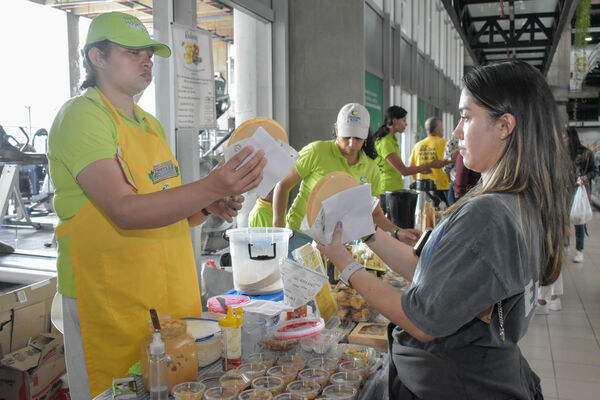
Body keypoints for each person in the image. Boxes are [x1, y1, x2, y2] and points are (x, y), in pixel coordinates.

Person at [317, 60, 572, 399]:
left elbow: (422, 320)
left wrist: (346, 265)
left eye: (466, 117)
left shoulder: (490, 214)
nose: (455, 132)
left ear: (504, 126)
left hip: (455, 382)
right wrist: (368, 232)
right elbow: (427, 269)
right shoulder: (515, 201)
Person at [48, 12, 266, 398]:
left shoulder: (150, 125)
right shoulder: (82, 116)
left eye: (148, 53)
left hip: (167, 300)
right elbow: (125, 210)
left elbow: (166, 210)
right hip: (111, 299)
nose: (146, 60)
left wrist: (208, 205)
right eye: (132, 52)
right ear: (97, 58)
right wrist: (211, 183)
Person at [273, 103, 420, 252]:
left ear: (365, 136)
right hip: (300, 235)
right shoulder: (317, 152)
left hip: (339, 243)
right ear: (337, 129)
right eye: (346, 136)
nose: (351, 143)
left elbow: (375, 214)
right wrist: (278, 227)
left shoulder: (371, 169)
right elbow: (283, 186)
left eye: (357, 138)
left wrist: (397, 231)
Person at [373, 106, 442, 211]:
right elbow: (403, 171)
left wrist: (421, 168)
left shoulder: (392, 139)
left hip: (394, 190)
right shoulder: (385, 142)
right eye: (404, 120)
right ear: (395, 121)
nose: (406, 124)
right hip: (386, 192)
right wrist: (431, 164)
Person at [564, 127, 596, 263]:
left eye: (564, 137)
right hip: (564, 191)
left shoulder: (586, 153)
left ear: (571, 138)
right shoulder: (561, 153)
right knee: (564, 220)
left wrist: (585, 177)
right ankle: (565, 244)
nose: (563, 140)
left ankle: (579, 251)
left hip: (580, 191)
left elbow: (594, 170)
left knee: (579, 222)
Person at [409, 117, 452, 205]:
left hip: (421, 189)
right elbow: (450, 166)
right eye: (442, 129)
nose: (443, 131)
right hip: (441, 187)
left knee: (423, 214)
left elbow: (412, 169)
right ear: (436, 130)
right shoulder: (445, 143)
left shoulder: (417, 146)